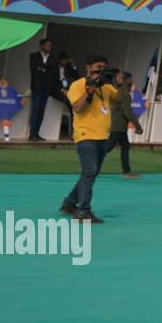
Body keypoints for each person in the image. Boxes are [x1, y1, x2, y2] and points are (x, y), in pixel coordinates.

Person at [58, 54, 121, 224]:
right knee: (89, 172)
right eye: (98, 67)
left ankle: (69, 203)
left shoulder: (107, 87)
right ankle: (83, 211)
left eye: (103, 68)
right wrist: (90, 90)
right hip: (85, 135)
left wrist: (119, 83)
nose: (101, 71)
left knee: (90, 174)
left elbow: (123, 100)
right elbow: (77, 108)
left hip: (102, 137)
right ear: (88, 67)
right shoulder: (78, 85)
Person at [107, 70, 143, 179]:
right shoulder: (125, 95)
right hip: (119, 125)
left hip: (117, 124)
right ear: (126, 80)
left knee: (124, 146)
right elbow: (128, 112)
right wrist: (138, 126)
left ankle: (126, 171)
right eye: (130, 79)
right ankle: (89, 163)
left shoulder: (117, 91)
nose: (132, 82)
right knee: (107, 148)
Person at [27, 37, 59, 141]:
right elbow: (34, 69)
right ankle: (32, 133)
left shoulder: (53, 59)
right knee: (35, 109)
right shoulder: (34, 56)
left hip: (46, 88)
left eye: (50, 45)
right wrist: (46, 71)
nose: (49, 47)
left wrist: (43, 69)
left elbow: (55, 74)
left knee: (41, 111)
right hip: (36, 87)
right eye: (47, 45)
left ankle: (37, 133)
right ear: (42, 46)